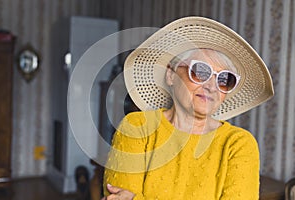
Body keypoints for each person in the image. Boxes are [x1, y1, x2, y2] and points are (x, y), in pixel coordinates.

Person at [101, 16, 274, 200]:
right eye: (200, 72)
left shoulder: (238, 144)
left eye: (224, 79)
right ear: (171, 75)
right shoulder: (137, 127)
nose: (211, 86)